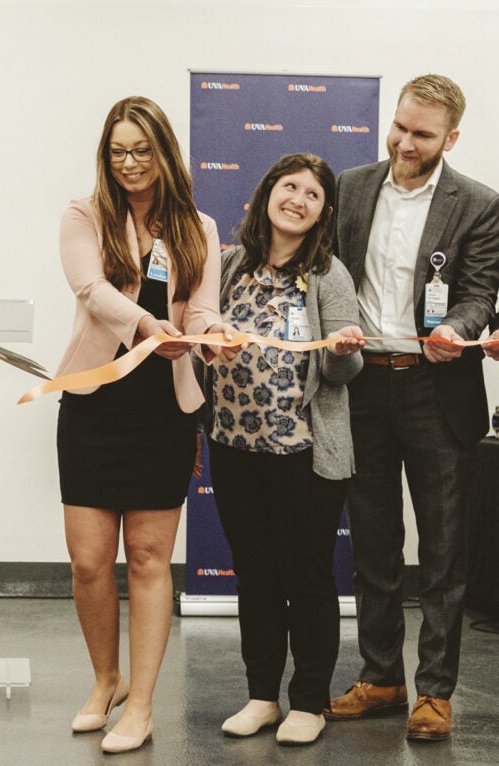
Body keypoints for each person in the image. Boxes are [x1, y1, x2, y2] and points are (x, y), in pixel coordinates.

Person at [55, 96, 232, 754]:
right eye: (118, 151)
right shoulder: (86, 215)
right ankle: (107, 681)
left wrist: (212, 337)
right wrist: (144, 325)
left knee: (151, 560)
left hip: (164, 407)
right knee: (88, 562)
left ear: (164, 152)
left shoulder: (200, 226)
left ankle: (144, 707)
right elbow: (89, 289)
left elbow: (204, 308)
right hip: (96, 401)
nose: (129, 163)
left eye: (141, 150)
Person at [326, 74, 499, 742]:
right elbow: (329, 274)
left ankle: (434, 691)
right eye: (399, 126)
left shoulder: (478, 204)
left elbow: (481, 291)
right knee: (371, 544)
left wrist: (456, 328)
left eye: (421, 134)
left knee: (444, 552)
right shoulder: (351, 185)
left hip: (437, 389)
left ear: (450, 138)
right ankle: (380, 677)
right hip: (362, 384)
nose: (404, 141)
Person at [202, 154, 364, 746]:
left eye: (312, 194)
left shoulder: (329, 275)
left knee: (308, 576)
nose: (297, 199)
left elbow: (345, 372)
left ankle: (311, 703)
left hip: (305, 453)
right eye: (288, 186)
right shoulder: (229, 266)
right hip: (234, 446)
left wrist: (343, 350)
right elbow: (201, 335)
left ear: (323, 212)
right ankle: (262, 696)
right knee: (257, 576)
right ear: (268, 192)